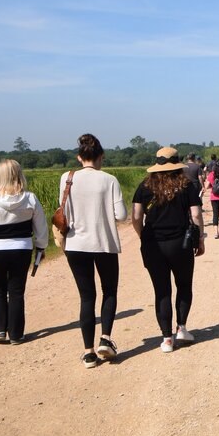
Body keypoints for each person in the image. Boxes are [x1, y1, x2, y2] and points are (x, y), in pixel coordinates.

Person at [60, 133, 127, 368]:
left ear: (80, 157)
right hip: (104, 244)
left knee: (87, 296)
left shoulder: (66, 178)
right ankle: (105, 339)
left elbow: (64, 211)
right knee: (109, 291)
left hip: (76, 245)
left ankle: (88, 353)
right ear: (101, 157)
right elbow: (121, 215)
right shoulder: (109, 180)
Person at [132, 147, 204, 353]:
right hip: (180, 243)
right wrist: (199, 239)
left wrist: (142, 236)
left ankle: (166, 339)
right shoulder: (186, 185)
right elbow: (196, 215)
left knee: (161, 291)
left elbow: (136, 216)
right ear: (177, 164)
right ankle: (181, 328)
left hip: (153, 244)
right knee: (183, 285)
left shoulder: (144, 186)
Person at [0, 160, 48, 345]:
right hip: (21, 249)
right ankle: (16, 334)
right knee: (17, 290)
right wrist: (41, 247)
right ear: (19, 174)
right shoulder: (30, 198)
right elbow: (41, 227)